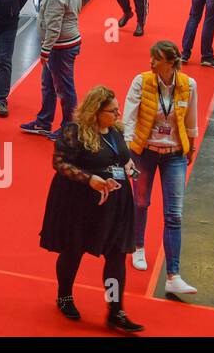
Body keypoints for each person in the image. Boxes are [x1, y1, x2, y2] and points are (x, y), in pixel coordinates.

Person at [39, 86, 143, 333]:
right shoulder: (74, 132)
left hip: (115, 203)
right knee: (73, 250)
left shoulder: (116, 131)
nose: (117, 115)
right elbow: (60, 163)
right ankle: (64, 296)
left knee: (117, 256)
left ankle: (115, 309)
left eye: (118, 110)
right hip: (80, 203)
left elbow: (121, 158)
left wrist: (131, 169)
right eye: (112, 111)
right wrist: (90, 179)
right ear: (96, 111)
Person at [123, 40, 199, 295]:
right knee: (141, 202)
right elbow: (129, 118)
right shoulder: (140, 81)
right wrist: (128, 153)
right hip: (144, 152)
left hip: (175, 154)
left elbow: (191, 119)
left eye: (156, 59)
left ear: (170, 62)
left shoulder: (189, 85)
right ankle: (138, 246)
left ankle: (173, 275)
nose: (151, 62)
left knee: (174, 214)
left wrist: (192, 145)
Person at [21, 0, 82, 138]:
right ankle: (44, 122)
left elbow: (54, 27)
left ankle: (68, 130)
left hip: (60, 48)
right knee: (48, 84)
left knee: (64, 89)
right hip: (66, 43)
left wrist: (45, 51)